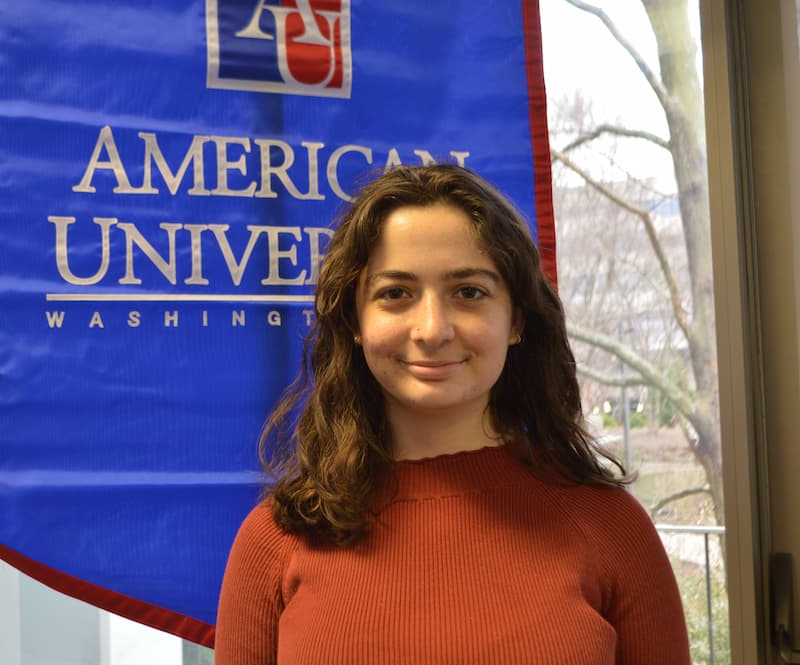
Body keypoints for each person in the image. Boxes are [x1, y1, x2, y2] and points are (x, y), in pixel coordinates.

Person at [214, 164, 691, 664]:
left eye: (469, 292)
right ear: (355, 321)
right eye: (396, 294)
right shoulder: (276, 541)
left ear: (517, 320)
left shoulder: (611, 526)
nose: (432, 329)